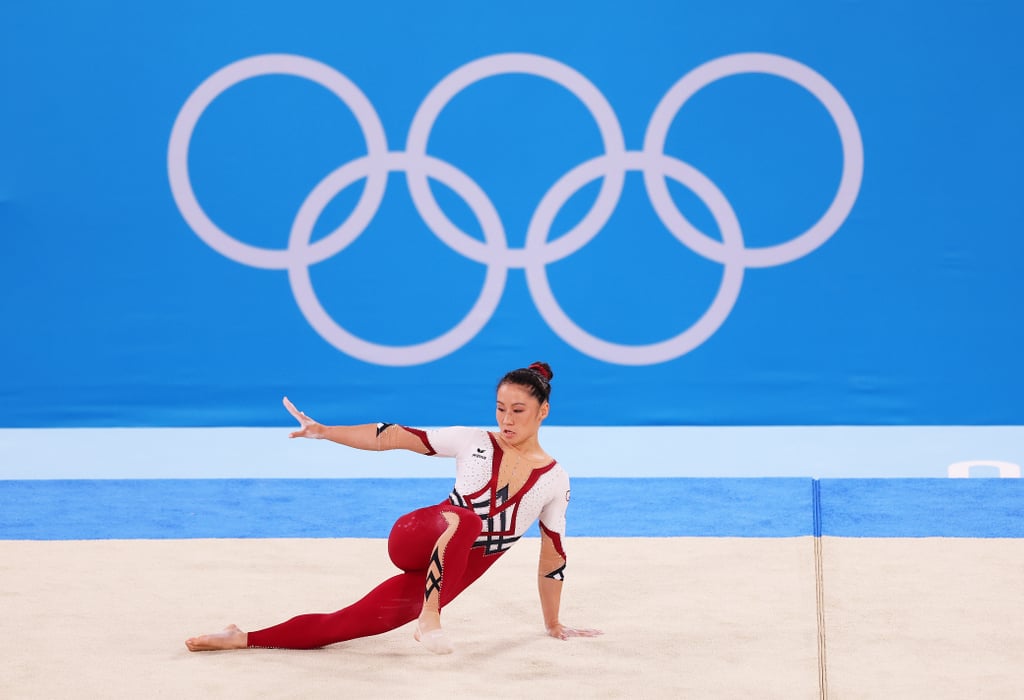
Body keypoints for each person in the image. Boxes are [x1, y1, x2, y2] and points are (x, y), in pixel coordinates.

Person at [185, 361, 601, 654]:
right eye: (500, 409)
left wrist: (553, 624)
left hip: (448, 572)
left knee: (346, 624)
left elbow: (552, 557)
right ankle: (431, 619)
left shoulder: (553, 480)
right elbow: (392, 435)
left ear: (543, 411)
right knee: (468, 519)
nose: (506, 420)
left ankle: (242, 637)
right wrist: (326, 432)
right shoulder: (472, 440)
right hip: (415, 536)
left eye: (518, 411)